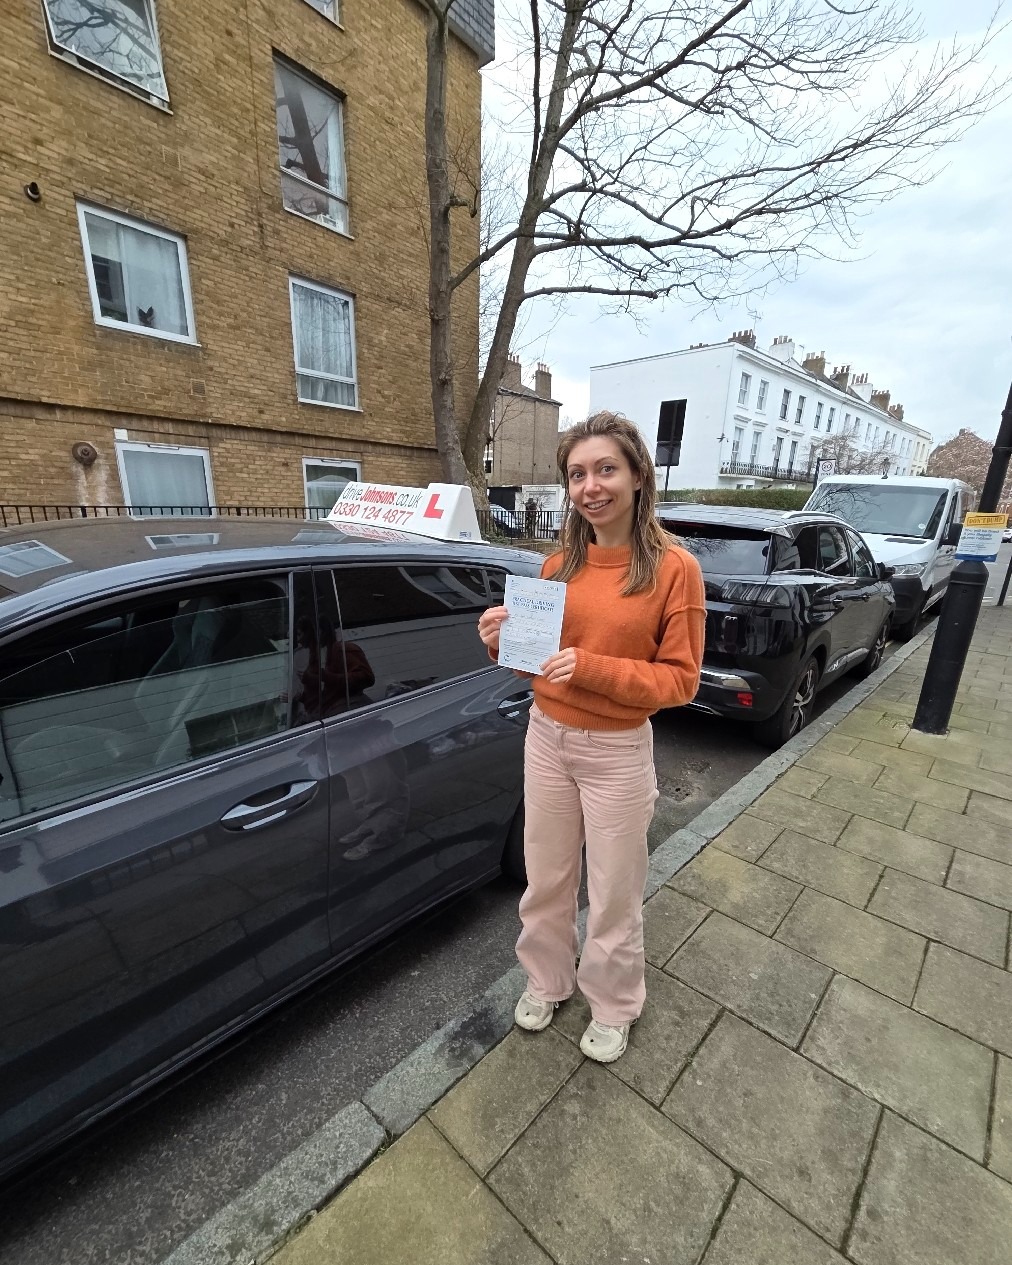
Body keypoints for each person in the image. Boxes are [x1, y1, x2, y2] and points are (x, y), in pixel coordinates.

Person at [478, 411, 705, 1063]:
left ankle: (613, 1003)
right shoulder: (558, 563)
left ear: (637, 474)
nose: (590, 485)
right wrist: (501, 643)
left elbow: (681, 680)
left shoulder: (673, 568)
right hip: (546, 737)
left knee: (613, 890)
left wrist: (596, 668)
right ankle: (547, 980)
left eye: (605, 468)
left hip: (616, 751)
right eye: (577, 473)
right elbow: (537, 662)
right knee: (546, 877)